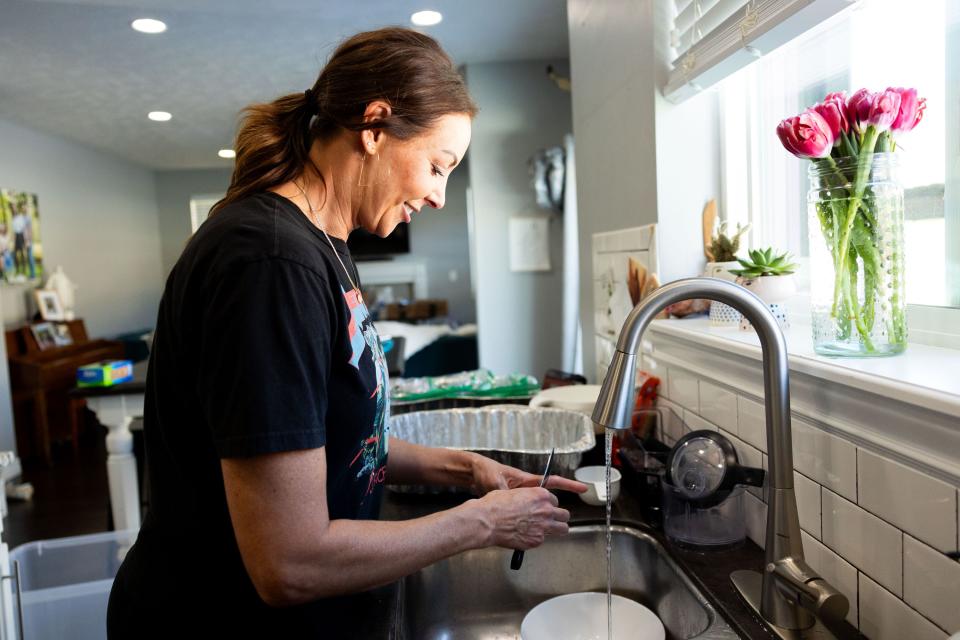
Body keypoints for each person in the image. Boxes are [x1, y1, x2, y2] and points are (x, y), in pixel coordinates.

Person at [107, 27, 586, 638]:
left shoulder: (326, 245)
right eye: (439, 167)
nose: (440, 196)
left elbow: (339, 441)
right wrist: (482, 523)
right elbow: (289, 562)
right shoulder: (270, 264)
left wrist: (470, 471)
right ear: (375, 126)